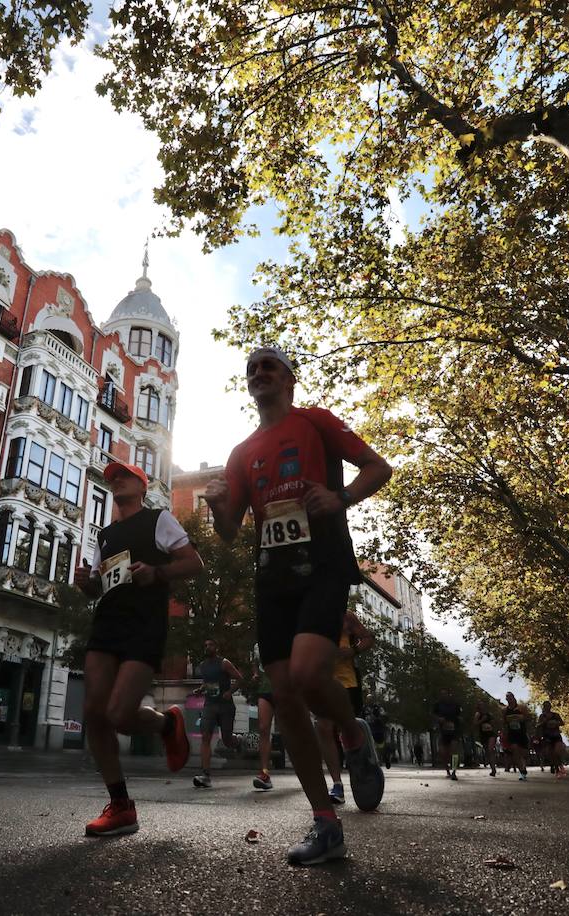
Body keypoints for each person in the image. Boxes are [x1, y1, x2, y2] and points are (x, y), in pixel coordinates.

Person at [204, 345, 392, 866]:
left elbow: (379, 468)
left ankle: (354, 735)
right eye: (251, 369)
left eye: (269, 365)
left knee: (310, 676)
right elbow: (228, 533)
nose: (258, 373)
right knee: (285, 697)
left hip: (325, 561)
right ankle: (325, 824)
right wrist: (221, 510)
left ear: (289, 378)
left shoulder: (316, 422)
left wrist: (341, 498)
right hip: (273, 577)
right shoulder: (242, 451)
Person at [74, 461, 203, 836]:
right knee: (94, 714)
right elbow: (99, 586)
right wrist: (87, 583)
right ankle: (120, 805)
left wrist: (158, 572)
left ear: (142, 486)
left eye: (124, 477)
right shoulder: (106, 535)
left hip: (144, 624)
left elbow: (195, 563)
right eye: (112, 479)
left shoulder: (159, 520)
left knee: (118, 714)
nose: (115, 482)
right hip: (108, 622)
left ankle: (167, 722)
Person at [314, 610, 374, 804]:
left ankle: (363, 766)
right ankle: (337, 784)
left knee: (346, 730)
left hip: (347, 682)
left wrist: (352, 650)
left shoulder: (345, 615)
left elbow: (367, 638)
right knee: (323, 728)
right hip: (321, 680)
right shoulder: (307, 614)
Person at [191, 638, 244, 788]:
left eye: (211, 645)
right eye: (205, 645)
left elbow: (240, 679)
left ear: (217, 647)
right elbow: (207, 683)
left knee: (227, 740)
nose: (207, 647)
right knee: (206, 737)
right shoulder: (203, 665)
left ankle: (237, 741)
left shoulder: (224, 663)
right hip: (209, 705)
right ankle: (205, 775)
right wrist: (200, 690)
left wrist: (230, 691)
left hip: (225, 706)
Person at [252, 662, 277, 791]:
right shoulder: (257, 646)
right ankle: (265, 773)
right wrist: (255, 674)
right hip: (265, 690)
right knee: (263, 728)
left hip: (284, 688)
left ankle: (304, 769)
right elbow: (255, 662)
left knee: (290, 731)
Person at [433, 689, 463, 780]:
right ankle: (447, 771)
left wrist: (459, 719)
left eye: (445, 694)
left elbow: (460, 715)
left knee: (453, 751)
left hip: (454, 730)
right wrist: (438, 719)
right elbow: (433, 714)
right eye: (442, 694)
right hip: (443, 731)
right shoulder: (438, 705)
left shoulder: (455, 705)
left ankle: (453, 771)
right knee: (443, 753)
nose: (444, 696)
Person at [501, 692, 530, 781]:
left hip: (522, 733)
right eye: (507, 698)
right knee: (514, 750)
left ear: (514, 698)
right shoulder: (505, 710)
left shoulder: (521, 708)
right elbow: (504, 722)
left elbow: (527, 718)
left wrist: (521, 718)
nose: (509, 699)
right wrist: (504, 733)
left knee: (523, 753)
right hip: (512, 734)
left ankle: (523, 768)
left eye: (510, 697)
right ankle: (521, 771)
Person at [539, 701, 566, 776]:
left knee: (557, 751)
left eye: (548, 705)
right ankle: (553, 764)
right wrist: (543, 722)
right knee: (549, 752)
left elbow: (562, 723)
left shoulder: (556, 715)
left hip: (556, 735)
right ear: (544, 707)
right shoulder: (542, 716)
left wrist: (557, 723)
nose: (547, 707)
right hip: (547, 736)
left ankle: (558, 765)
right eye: (545, 706)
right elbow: (538, 725)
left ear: (550, 706)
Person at [474, 702, 498, 777]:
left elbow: (494, 722)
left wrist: (493, 723)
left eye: (483, 705)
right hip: (483, 735)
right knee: (487, 752)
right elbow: (475, 723)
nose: (482, 707)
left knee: (490, 750)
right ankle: (492, 768)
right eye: (481, 705)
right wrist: (482, 720)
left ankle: (494, 769)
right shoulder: (478, 714)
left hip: (491, 734)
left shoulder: (489, 714)